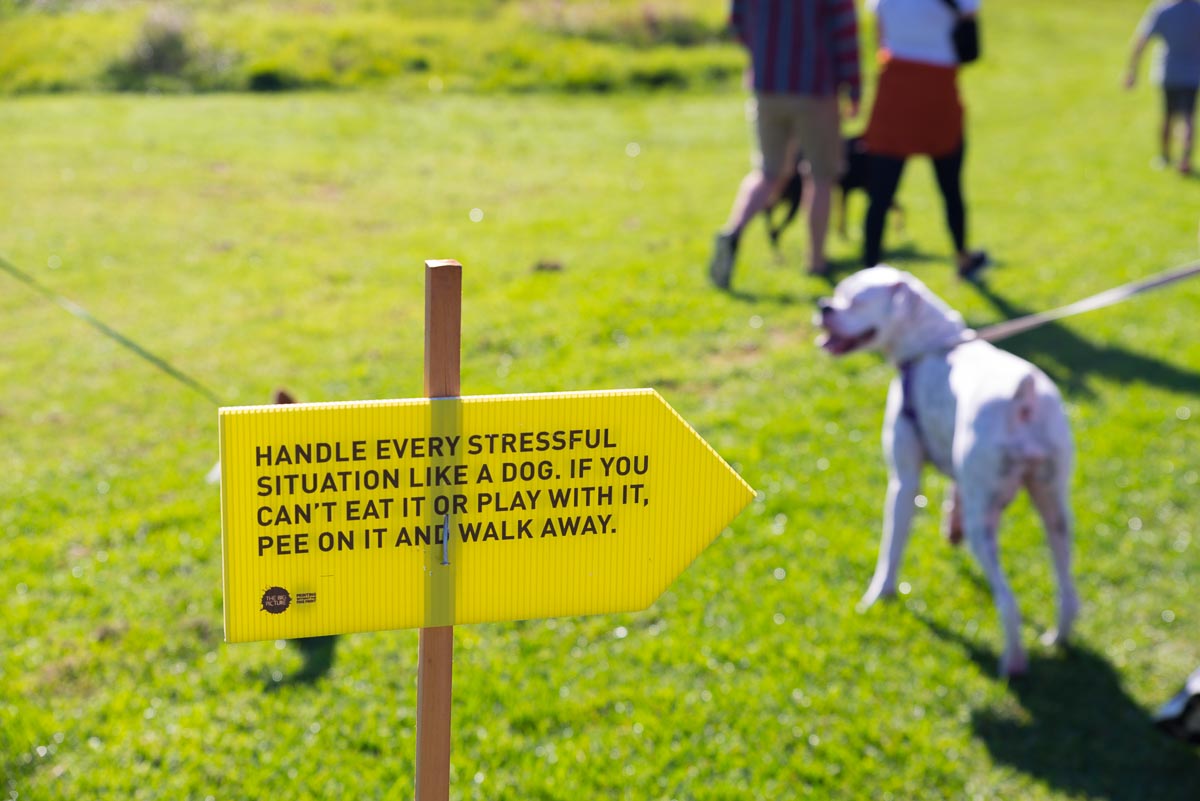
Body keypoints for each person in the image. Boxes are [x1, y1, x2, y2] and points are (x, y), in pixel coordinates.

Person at [708, 0, 862, 289]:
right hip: (816, 86)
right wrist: (853, 87)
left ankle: (733, 233)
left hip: (767, 85)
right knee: (821, 177)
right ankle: (817, 261)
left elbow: (737, 22)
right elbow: (845, 34)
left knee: (768, 173)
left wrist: (764, 54)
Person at [861, 0, 989, 279]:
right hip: (937, 89)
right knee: (951, 188)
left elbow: (880, 39)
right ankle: (962, 256)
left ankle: (867, 272)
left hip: (895, 88)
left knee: (880, 195)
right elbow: (969, 24)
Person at [1125, 0, 1200, 175]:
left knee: (1168, 115)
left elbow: (1141, 41)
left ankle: (1165, 157)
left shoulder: (1163, 10)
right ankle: (1185, 159)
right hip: (1193, 74)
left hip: (1169, 72)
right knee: (1188, 117)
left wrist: (1131, 70)